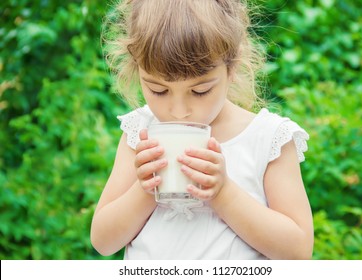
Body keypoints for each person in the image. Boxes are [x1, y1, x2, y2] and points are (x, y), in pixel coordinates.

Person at [90, 0, 314, 260]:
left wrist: (224, 194)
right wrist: (145, 189)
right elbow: (103, 242)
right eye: (158, 90)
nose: (178, 110)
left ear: (231, 67)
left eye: (200, 91)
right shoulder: (141, 133)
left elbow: (298, 253)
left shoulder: (267, 139)